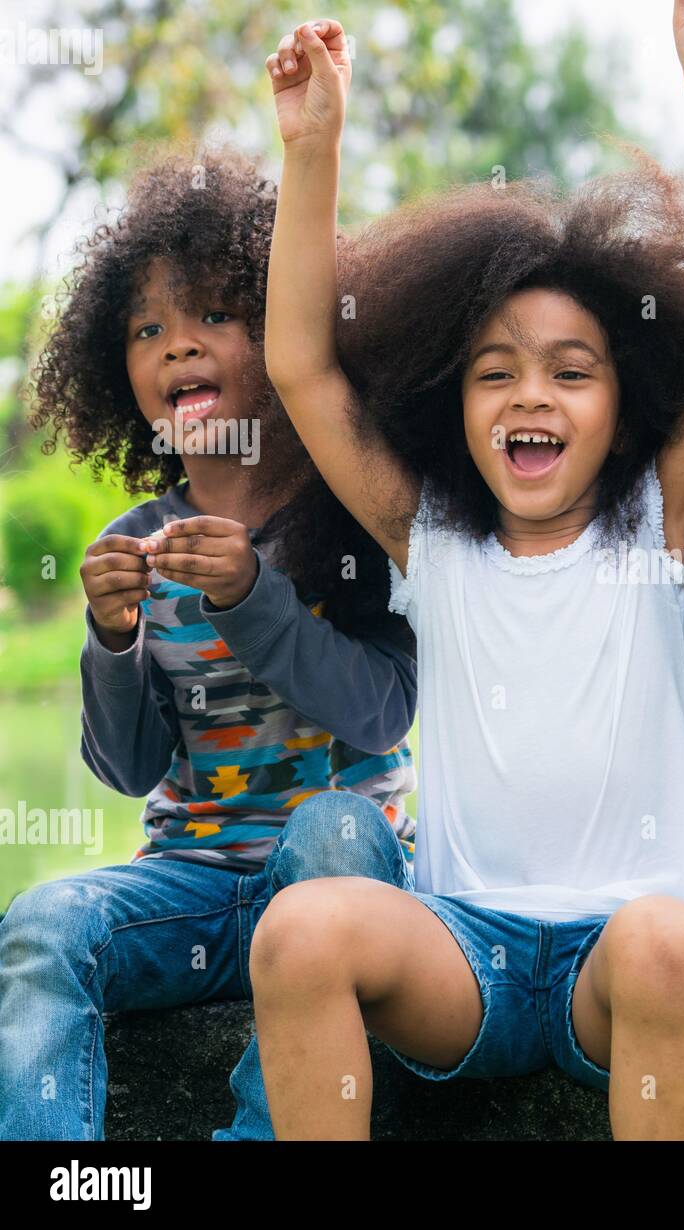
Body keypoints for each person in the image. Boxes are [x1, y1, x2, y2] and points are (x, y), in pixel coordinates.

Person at [246, 3, 684, 1141]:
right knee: (299, 932)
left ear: (626, 403)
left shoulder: (658, 529)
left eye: (570, 372)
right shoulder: (429, 541)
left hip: (625, 967)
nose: (531, 395)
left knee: (663, 939)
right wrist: (311, 148)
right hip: (466, 962)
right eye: (496, 373)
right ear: (456, 409)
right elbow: (298, 362)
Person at [2, 147, 417, 1141]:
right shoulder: (130, 544)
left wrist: (254, 599)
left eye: (215, 317)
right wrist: (111, 643)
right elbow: (130, 766)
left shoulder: (351, 520)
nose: (178, 345)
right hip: (189, 883)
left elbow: (381, 710)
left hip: (338, 887)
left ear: (284, 338)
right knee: (42, 923)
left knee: (331, 830)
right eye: (148, 329)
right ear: (121, 375)